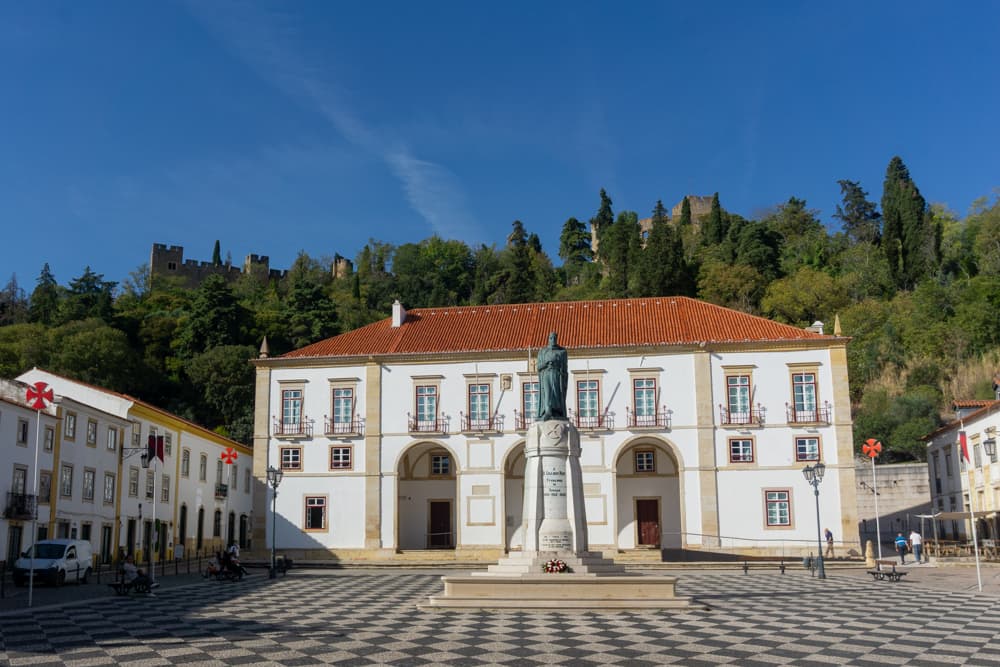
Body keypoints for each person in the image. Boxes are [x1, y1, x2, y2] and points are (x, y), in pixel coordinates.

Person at [536, 332, 568, 421]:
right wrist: (546, 364)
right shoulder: (542, 352)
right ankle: (547, 411)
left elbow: (565, 368)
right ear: (548, 339)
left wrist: (560, 370)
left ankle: (557, 411)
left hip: (557, 375)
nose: (553, 340)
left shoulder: (562, 352)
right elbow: (538, 367)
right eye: (551, 338)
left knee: (557, 394)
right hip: (546, 374)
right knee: (547, 392)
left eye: (554, 338)